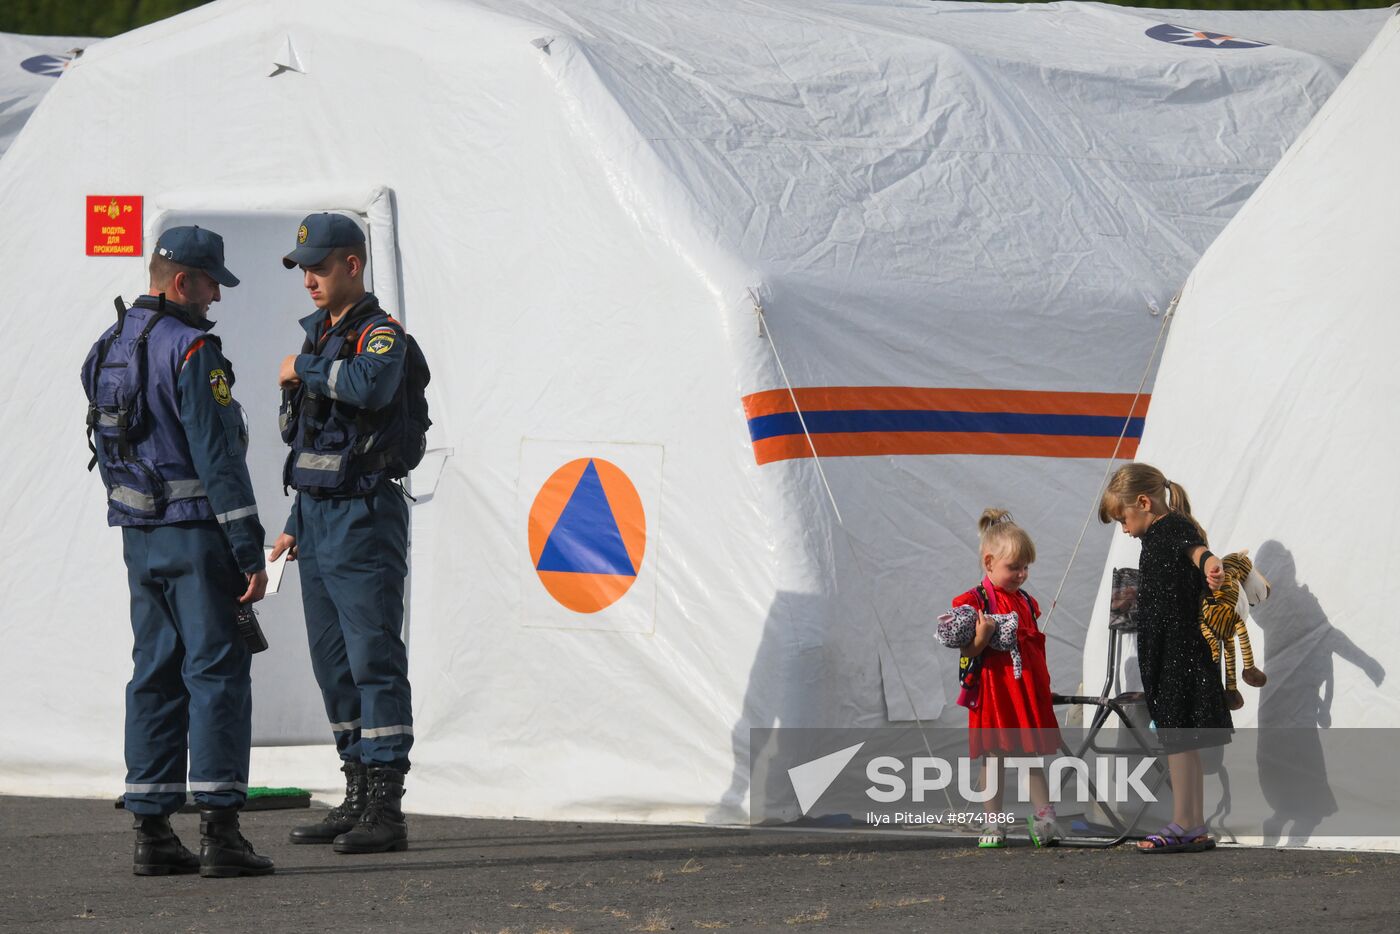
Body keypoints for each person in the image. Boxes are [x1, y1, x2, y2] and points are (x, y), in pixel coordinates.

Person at [80, 226, 273, 878]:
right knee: (218, 674)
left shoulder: (107, 346)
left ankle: (153, 830)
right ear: (182, 281)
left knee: (154, 673)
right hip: (197, 537)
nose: (217, 295)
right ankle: (221, 832)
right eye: (212, 281)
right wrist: (249, 551)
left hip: (140, 539)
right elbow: (219, 461)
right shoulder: (193, 353)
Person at [270, 212, 414, 854]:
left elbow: (370, 386)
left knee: (373, 659)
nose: (309, 279)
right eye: (303, 267)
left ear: (353, 265)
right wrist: (294, 524)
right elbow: (311, 445)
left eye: (319, 266)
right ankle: (355, 793)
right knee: (333, 666)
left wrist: (302, 368)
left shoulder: (379, 335)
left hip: (364, 516)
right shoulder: (321, 337)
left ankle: (386, 807)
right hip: (320, 519)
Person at [1099, 463, 1229, 853]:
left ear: (1143, 502)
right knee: (1179, 738)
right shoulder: (1155, 536)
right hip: (1166, 650)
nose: (1123, 527)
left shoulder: (1171, 529)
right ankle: (1192, 822)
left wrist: (1210, 564)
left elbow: (1197, 551)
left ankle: (1186, 821)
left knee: (1177, 737)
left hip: (1177, 652)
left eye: (1123, 518)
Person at [951, 509, 1062, 849]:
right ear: (989, 563)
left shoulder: (1027, 601)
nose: (1022, 574)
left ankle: (1045, 819)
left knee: (1030, 755)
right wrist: (982, 636)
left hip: (1025, 689)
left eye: (1026, 567)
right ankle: (993, 822)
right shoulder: (975, 602)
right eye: (1014, 567)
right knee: (995, 757)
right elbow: (965, 648)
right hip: (995, 693)